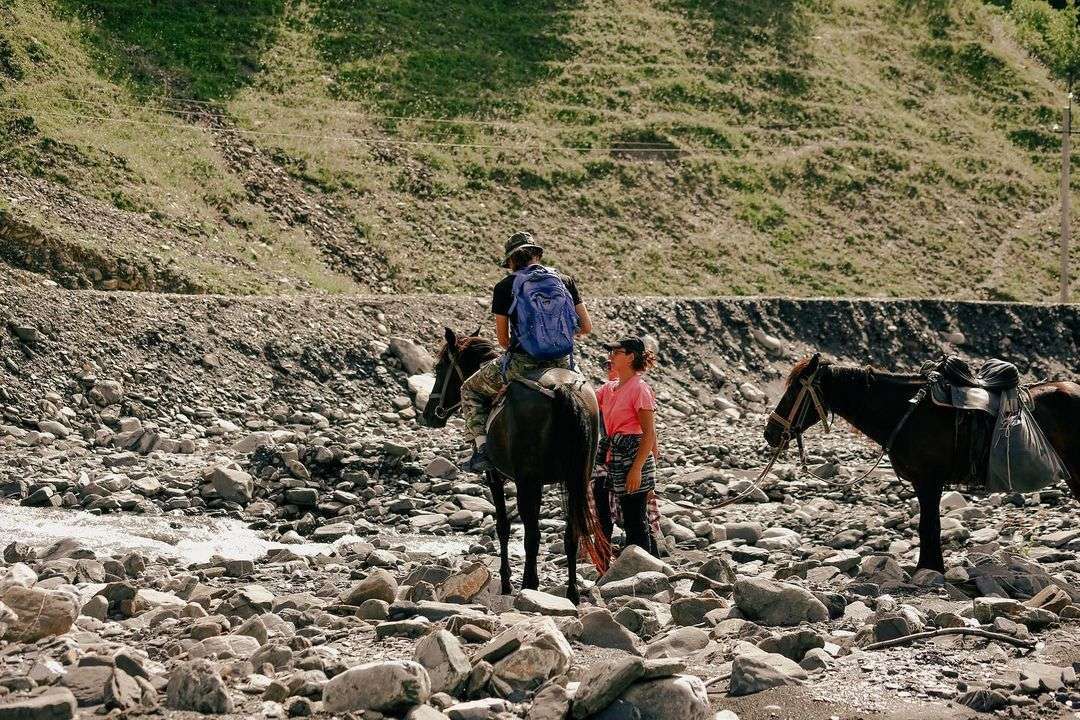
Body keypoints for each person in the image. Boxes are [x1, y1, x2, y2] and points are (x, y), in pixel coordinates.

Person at [460, 231, 593, 473]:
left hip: (522, 363)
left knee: (470, 389)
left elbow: (503, 340)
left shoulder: (504, 287)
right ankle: (600, 444)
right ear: (537, 255)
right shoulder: (565, 281)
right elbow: (586, 327)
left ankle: (482, 450)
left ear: (511, 261)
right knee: (587, 395)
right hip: (562, 362)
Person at [594, 336, 660, 555]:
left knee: (635, 521)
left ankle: (643, 569)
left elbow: (648, 434)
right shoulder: (609, 388)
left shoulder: (639, 389)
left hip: (634, 456)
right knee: (621, 516)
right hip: (615, 457)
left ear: (630, 357)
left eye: (616, 352)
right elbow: (587, 402)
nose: (611, 356)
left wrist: (636, 469)